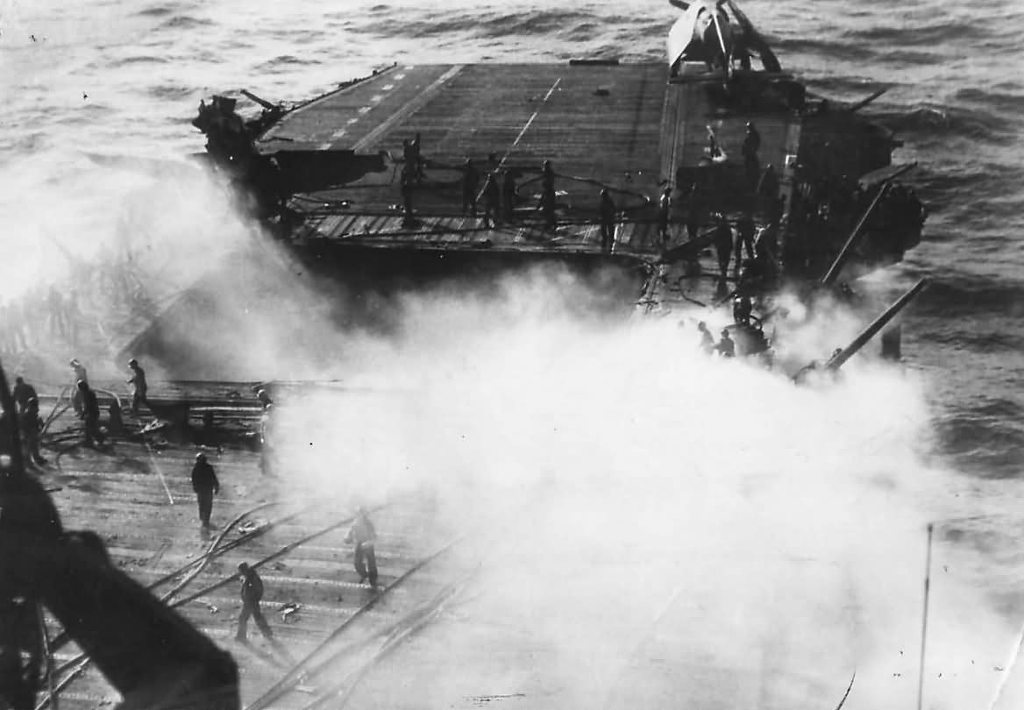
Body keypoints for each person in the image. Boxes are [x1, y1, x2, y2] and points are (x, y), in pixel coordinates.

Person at [235, 563, 273, 642]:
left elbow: (257, 590)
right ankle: (267, 633)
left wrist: (253, 599)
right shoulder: (250, 576)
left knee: (243, 618)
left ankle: (241, 636)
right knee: (257, 617)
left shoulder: (252, 578)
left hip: (250, 602)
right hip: (251, 602)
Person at [345, 507, 378, 587]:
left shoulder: (368, 524)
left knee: (371, 563)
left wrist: (368, 543)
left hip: (367, 544)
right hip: (359, 544)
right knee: (357, 563)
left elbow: (374, 537)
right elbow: (350, 531)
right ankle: (364, 575)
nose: (359, 516)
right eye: (358, 514)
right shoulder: (355, 523)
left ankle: (372, 579)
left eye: (360, 514)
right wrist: (347, 537)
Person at [190, 452, 220, 529]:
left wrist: (216, 486)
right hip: (203, 489)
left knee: (206, 504)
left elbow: (213, 478)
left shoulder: (204, 468)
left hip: (206, 489)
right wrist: (216, 486)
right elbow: (194, 479)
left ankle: (205, 519)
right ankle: (204, 519)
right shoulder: (198, 468)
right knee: (203, 504)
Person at [78, 380, 104, 447]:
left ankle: (97, 439)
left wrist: (83, 414)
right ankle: (90, 440)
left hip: (92, 413)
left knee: (90, 427)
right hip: (94, 412)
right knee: (90, 427)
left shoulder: (87, 394)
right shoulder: (89, 392)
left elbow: (87, 406)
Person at [712, 213, 733, 277]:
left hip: (721, 246)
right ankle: (724, 270)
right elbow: (730, 238)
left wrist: (716, 244)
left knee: (721, 258)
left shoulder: (719, 229)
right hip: (726, 246)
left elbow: (715, 237)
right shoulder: (727, 229)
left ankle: (723, 270)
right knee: (726, 258)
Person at [741, 121, 761, 189]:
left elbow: (756, 143)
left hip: (751, 153)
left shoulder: (754, 134)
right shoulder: (749, 134)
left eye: (749, 127)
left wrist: (752, 149)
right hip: (749, 153)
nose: (748, 128)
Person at [540, 160, 556, 230]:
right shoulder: (547, 173)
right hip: (548, 192)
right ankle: (551, 223)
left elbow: (548, 183)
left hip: (549, 192)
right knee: (548, 209)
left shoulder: (549, 174)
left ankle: (551, 223)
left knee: (548, 209)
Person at [599, 188, 616, 253]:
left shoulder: (608, 202)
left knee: (609, 230)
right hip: (606, 218)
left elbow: (613, 209)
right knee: (605, 230)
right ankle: (606, 240)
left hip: (608, 218)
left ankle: (608, 241)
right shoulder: (606, 202)